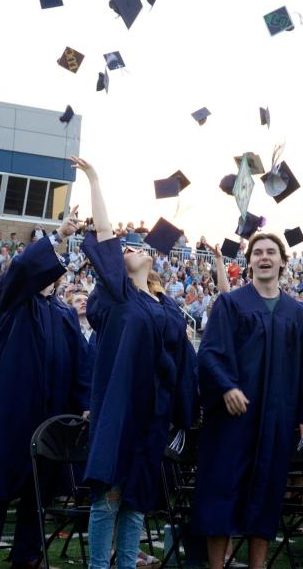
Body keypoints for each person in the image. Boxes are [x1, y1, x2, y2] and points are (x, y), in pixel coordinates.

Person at [73, 157, 197, 569]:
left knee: (136, 500)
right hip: (121, 407)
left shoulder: (166, 306)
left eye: (133, 247)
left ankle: (125, 565)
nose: (129, 248)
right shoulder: (118, 295)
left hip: (155, 412)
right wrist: (94, 179)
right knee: (109, 497)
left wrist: (182, 414)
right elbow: (106, 235)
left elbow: (183, 361)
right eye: (124, 249)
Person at [0, 208, 91, 569]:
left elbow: (81, 366)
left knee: (39, 491)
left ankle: (27, 557)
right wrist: (57, 235)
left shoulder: (63, 313)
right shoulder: (17, 300)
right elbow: (18, 271)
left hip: (50, 415)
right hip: (11, 411)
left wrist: (83, 406)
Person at [193, 230, 303, 569]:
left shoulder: (298, 313)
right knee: (223, 490)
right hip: (234, 417)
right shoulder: (231, 303)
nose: (264, 257)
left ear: (282, 261)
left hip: (278, 417)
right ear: (249, 263)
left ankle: (257, 566)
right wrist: (226, 387)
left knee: (266, 491)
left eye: (270, 252)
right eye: (257, 253)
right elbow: (209, 354)